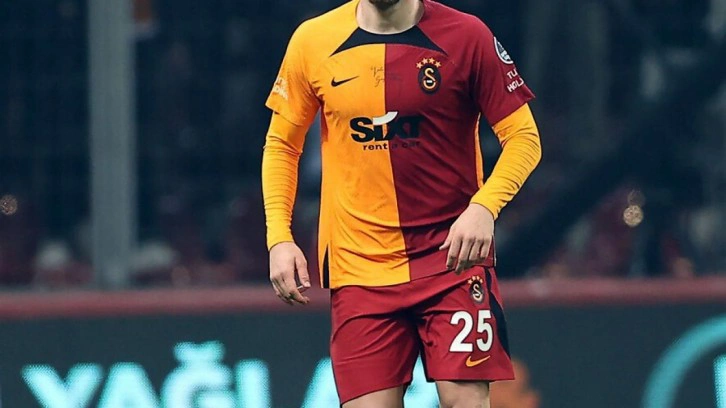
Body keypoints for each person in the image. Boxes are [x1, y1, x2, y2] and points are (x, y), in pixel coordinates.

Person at [262, 0, 541, 407]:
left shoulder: (468, 36)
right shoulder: (313, 40)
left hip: (452, 261)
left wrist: (484, 207)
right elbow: (282, 146)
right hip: (360, 268)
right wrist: (279, 237)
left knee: (465, 402)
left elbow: (524, 138)